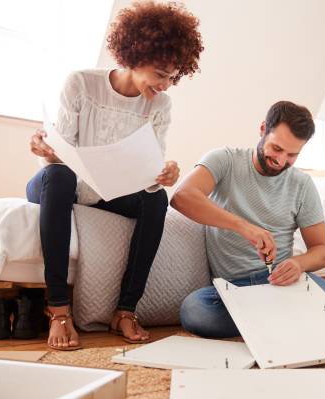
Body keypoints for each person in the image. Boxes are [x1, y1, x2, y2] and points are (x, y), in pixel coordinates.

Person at [27, 1, 203, 350]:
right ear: (134, 56)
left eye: (173, 76)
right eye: (160, 73)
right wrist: (46, 148)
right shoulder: (81, 83)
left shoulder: (160, 106)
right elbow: (61, 152)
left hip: (110, 190)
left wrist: (163, 174)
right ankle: (59, 309)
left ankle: (125, 310)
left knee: (157, 198)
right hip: (61, 183)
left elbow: (149, 170)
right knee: (59, 177)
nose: (166, 85)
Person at [170, 101, 325, 338]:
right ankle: (293, 318)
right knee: (195, 312)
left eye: (292, 155)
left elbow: (321, 251)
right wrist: (244, 227)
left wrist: (298, 264)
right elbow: (181, 197)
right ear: (263, 129)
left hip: (283, 283)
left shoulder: (301, 185)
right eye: (276, 149)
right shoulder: (224, 160)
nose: (281, 160)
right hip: (233, 288)